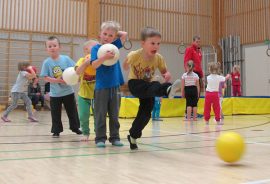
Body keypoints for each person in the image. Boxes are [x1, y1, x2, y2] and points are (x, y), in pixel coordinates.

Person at [123, 26, 181, 150]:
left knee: (146, 114)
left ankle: (133, 136)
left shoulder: (159, 58)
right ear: (143, 44)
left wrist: (167, 74)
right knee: (154, 85)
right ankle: (167, 90)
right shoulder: (135, 55)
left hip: (148, 88)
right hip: (135, 84)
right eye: (152, 43)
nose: (156, 46)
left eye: (158, 43)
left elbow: (165, 72)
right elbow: (125, 67)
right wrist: (127, 61)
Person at [91, 21, 127, 147]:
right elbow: (94, 65)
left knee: (114, 114)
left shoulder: (114, 46)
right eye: (105, 33)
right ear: (100, 34)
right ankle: (100, 138)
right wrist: (104, 58)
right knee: (100, 113)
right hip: (101, 87)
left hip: (115, 85)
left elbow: (124, 35)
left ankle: (115, 137)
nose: (107, 37)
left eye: (110, 35)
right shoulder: (95, 48)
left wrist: (116, 33)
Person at [40, 35, 82, 137]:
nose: (52, 48)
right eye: (49, 46)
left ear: (59, 47)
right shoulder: (47, 63)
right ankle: (56, 130)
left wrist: (76, 78)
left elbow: (75, 69)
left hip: (68, 92)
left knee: (72, 112)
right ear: (46, 49)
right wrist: (57, 80)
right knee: (55, 114)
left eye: (54, 45)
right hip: (55, 94)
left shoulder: (66, 59)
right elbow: (45, 78)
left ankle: (75, 127)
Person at [75, 39, 98, 141]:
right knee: (83, 115)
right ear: (86, 50)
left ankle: (99, 133)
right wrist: (85, 63)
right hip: (84, 94)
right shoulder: (81, 60)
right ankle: (85, 132)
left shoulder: (99, 61)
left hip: (97, 95)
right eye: (94, 47)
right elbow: (78, 72)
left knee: (98, 116)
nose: (96, 49)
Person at [183, 35, 203, 118]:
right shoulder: (189, 49)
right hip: (192, 73)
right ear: (193, 41)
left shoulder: (199, 51)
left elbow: (199, 64)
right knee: (191, 93)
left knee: (197, 93)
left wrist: (201, 75)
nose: (198, 43)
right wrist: (188, 72)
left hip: (198, 74)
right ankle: (188, 112)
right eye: (197, 42)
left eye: (199, 42)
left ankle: (192, 112)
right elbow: (186, 60)